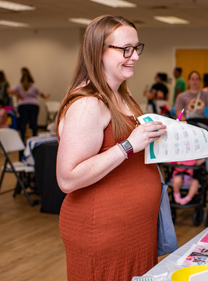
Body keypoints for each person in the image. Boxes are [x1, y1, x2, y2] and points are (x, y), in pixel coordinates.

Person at [55, 15, 168, 280]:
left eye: (136, 48)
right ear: (98, 52)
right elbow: (67, 178)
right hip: (102, 230)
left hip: (134, 229)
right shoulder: (88, 104)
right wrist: (129, 145)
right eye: (125, 49)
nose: (135, 56)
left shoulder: (122, 95)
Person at [12, 73, 50, 141]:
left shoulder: (19, 86)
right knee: (34, 122)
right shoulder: (34, 86)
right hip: (34, 106)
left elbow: (10, 91)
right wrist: (46, 96)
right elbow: (41, 94)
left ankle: (22, 138)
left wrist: (18, 95)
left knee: (23, 122)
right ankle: (34, 138)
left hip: (23, 106)